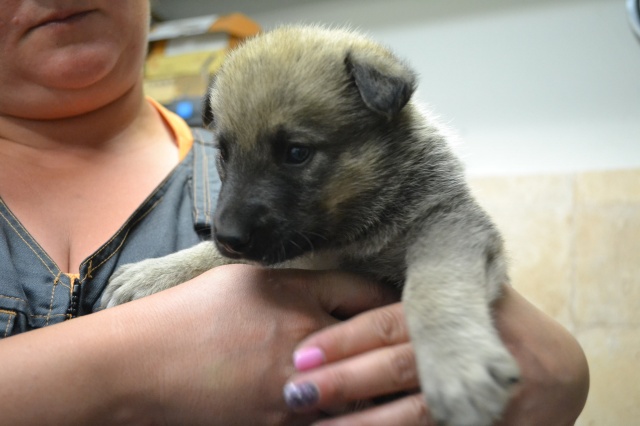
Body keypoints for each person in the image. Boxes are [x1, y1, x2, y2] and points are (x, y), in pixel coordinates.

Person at [0, 1, 588, 425]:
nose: (230, 227)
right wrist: (133, 366)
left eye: (296, 154)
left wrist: (555, 370)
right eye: (228, 155)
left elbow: (454, 238)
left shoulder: (400, 167)